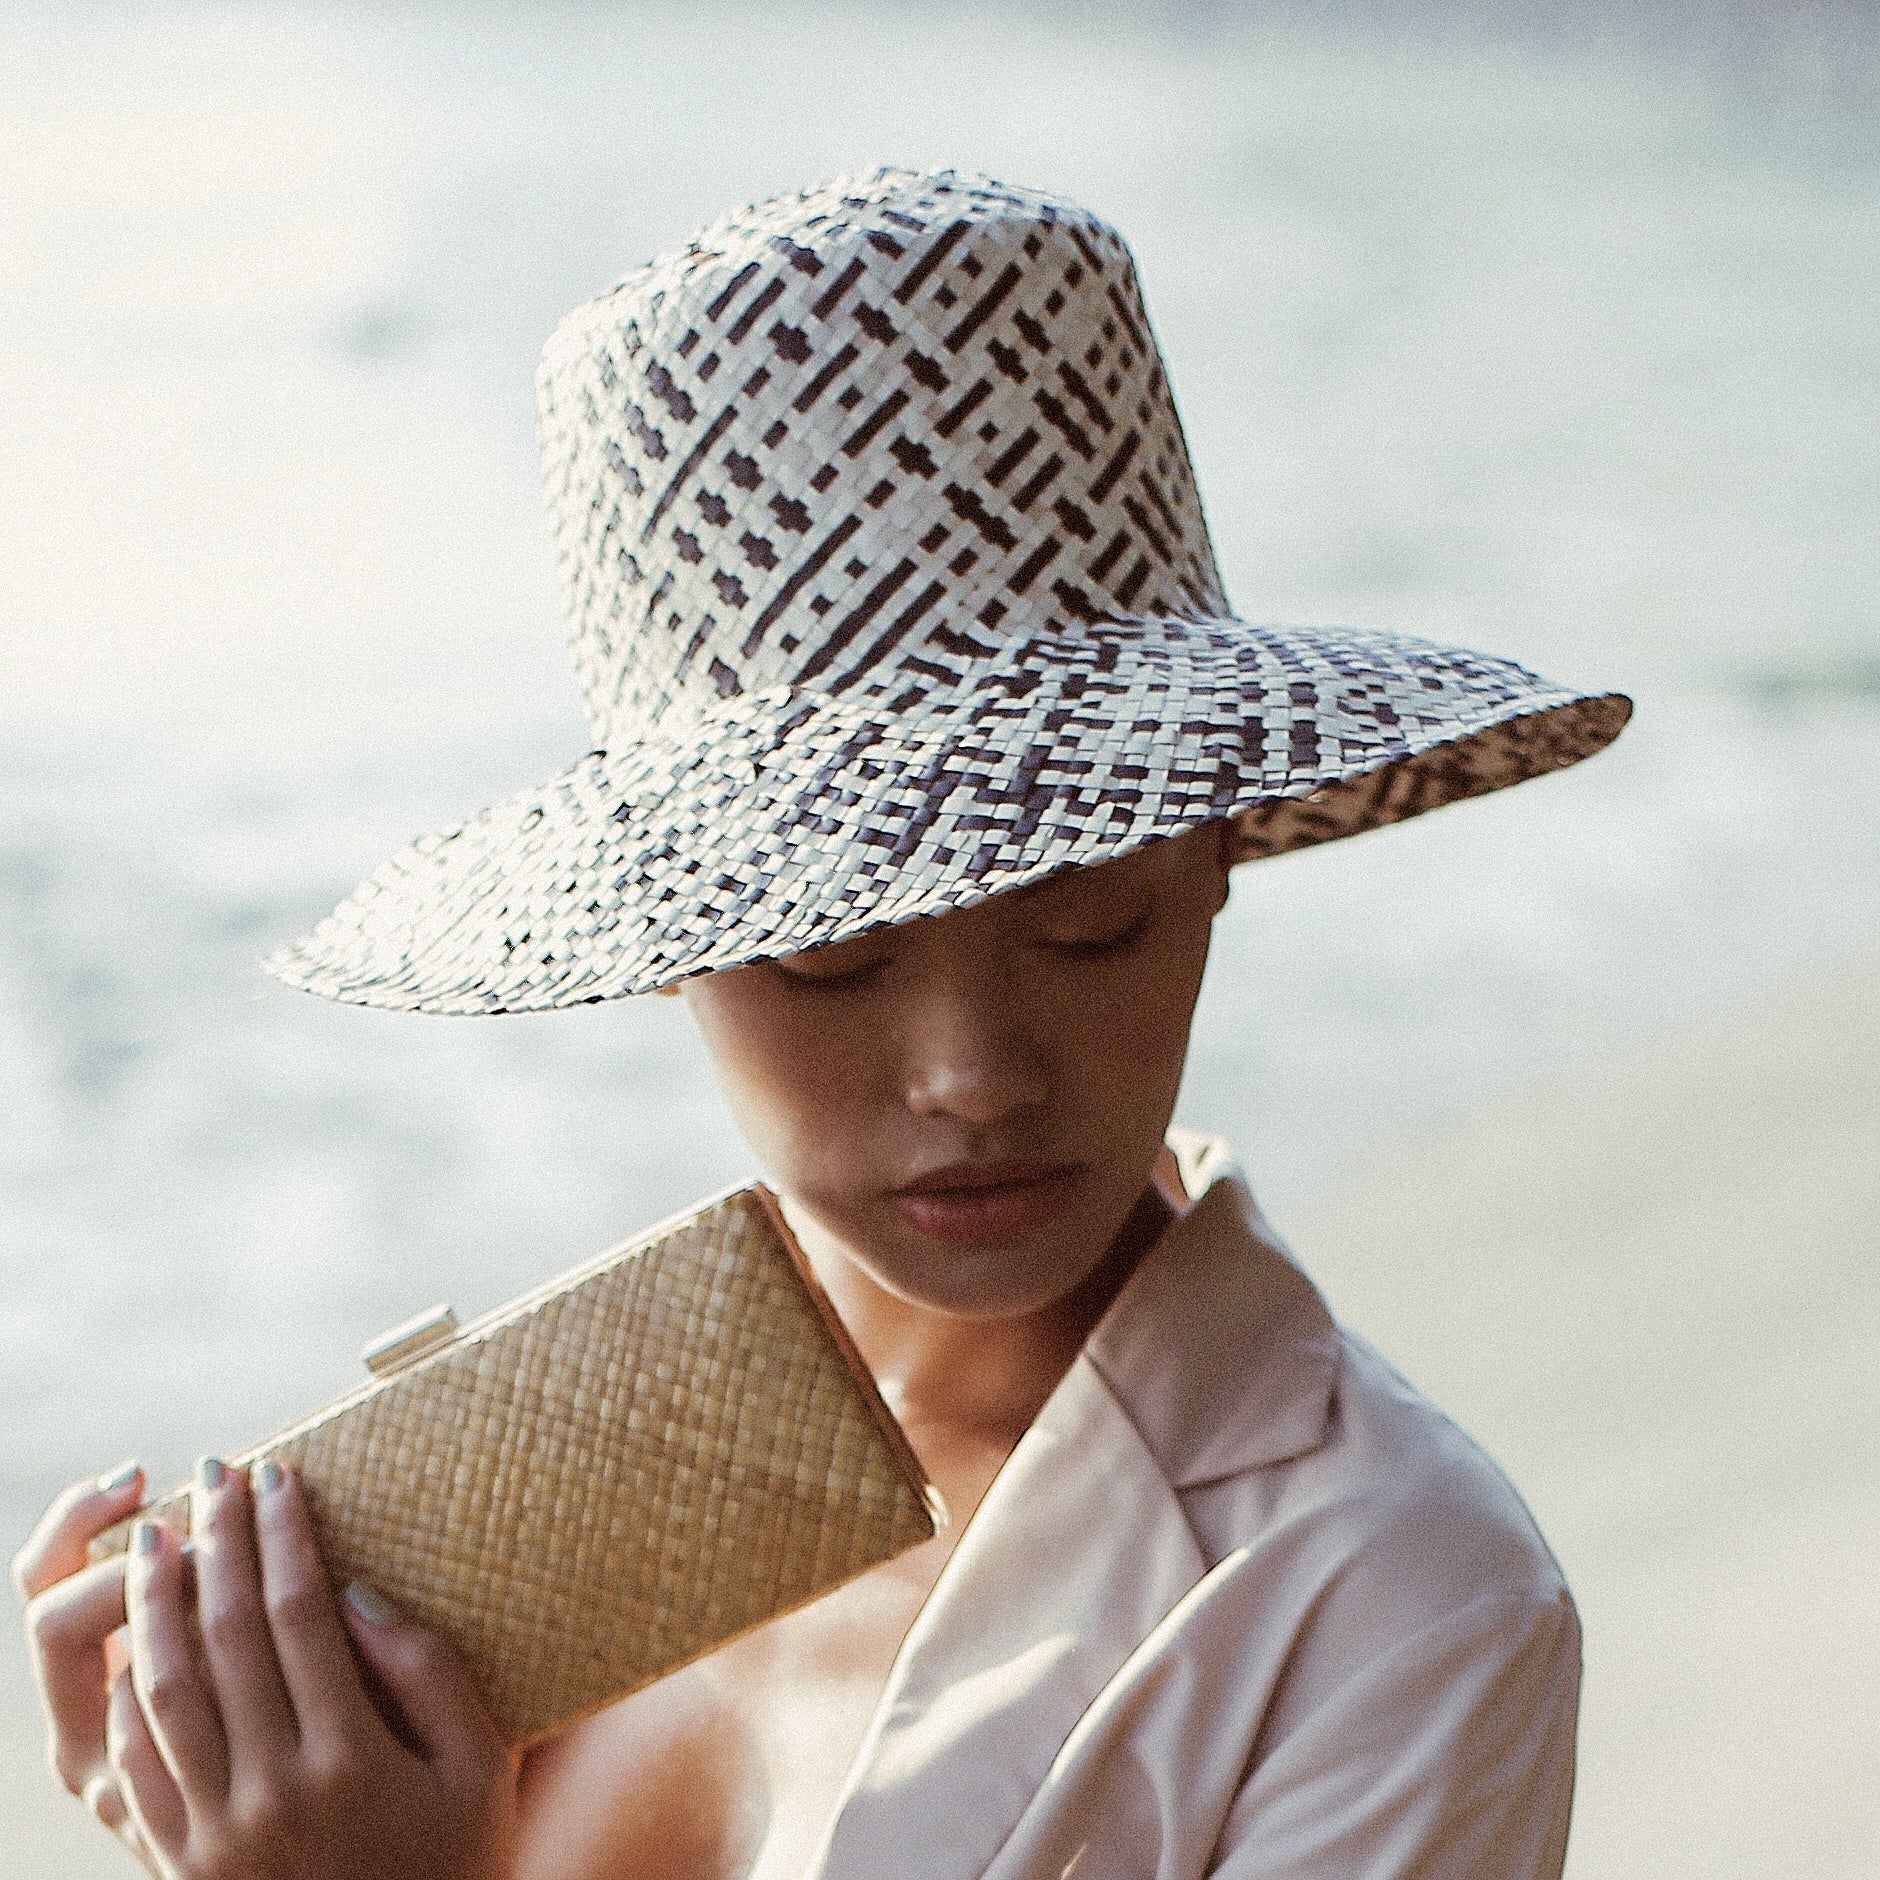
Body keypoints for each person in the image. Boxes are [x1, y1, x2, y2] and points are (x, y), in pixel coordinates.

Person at [13, 168, 1629, 1879]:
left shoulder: (1384, 1601)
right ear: (667, 941)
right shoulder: (519, 1503)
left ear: (1219, 854)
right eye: (831, 962)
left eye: (1091, 922)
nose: (977, 1077)